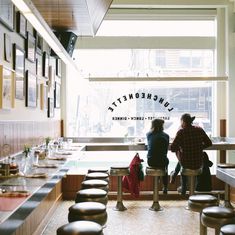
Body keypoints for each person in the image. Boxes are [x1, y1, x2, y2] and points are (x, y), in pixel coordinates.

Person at [170, 113, 212, 195]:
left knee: (182, 157)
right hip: (199, 164)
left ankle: (183, 187)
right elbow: (209, 143)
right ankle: (185, 187)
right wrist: (200, 147)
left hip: (186, 164)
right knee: (184, 156)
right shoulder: (199, 130)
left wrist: (180, 148)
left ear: (183, 121)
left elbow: (172, 148)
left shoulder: (181, 132)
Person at [146, 118, 170, 194]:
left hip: (151, 161)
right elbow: (165, 150)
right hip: (162, 161)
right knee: (164, 162)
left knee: (158, 159)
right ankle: (165, 186)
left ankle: (157, 181)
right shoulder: (166, 135)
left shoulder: (148, 134)